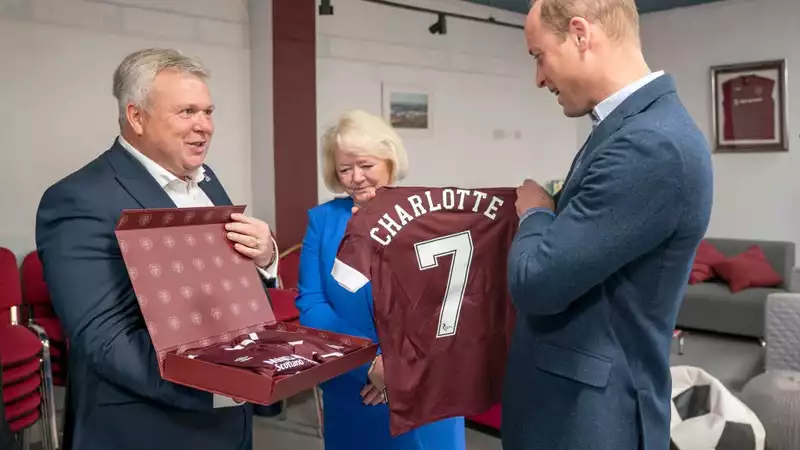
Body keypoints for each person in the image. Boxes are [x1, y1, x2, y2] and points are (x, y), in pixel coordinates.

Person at [35, 48, 280, 450]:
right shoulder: (78, 198)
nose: (205, 126)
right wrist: (219, 388)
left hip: (229, 419)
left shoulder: (206, 181)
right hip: (148, 424)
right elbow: (104, 340)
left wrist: (265, 258)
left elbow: (230, 293)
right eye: (187, 112)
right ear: (136, 116)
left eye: (208, 112)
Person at [503, 1, 713, 450]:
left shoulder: (650, 144)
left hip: (593, 421)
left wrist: (536, 213)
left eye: (539, 56)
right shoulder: (627, 130)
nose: (538, 77)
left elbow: (536, 281)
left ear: (580, 34)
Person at [295, 109, 466, 450]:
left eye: (366, 165)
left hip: (424, 382)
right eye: (345, 169)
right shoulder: (323, 221)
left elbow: (451, 302)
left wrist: (400, 367)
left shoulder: (428, 215)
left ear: (389, 160)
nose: (355, 177)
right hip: (353, 383)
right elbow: (311, 304)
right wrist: (370, 361)